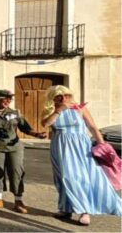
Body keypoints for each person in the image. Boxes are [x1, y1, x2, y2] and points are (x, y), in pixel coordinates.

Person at [41, 85, 122, 225]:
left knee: (81, 177)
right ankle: (66, 208)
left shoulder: (80, 108)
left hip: (81, 148)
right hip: (61, 148)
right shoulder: (51, 110)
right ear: (53, 98)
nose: (64, 98)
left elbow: (92, 127)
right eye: (59, 96)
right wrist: (59, 111)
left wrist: (103, 146)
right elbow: (45, 124)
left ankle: (85, 211)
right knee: (63, 178)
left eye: (66, 95)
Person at [0, 89, 46, 214]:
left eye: (9, 98)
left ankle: (18, 200)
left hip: (14, 147)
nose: (8, 101)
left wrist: (37, 134)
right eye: (4, 98)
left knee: (16, 171)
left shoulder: (15, 113)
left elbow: (25, 128)